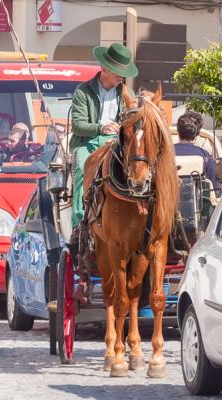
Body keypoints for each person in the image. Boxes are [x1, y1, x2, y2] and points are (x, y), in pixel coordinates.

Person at [69, 42, 138, 303]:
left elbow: (130, 120)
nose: (121, 76)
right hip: (89, 142)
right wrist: (101, 128)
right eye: (117, 71)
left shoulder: (125, 92)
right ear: (105, 69)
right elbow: (78, 125)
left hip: (115, 142)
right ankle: (80, 219)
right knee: (81, 168)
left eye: (123, 72)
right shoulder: (83, 92)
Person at [174, 111, 219, 190]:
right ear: (197, 134)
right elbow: (214, 188)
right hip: (198, 201)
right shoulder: (205, 156)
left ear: (177, 131)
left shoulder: (164, 154)